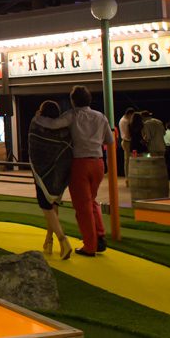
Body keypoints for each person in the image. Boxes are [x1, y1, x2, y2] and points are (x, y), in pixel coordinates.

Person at [34, 85, 113, 257]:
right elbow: (110, 140)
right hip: (98, 163)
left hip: (80, 164)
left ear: (73, 101)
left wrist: (38, 118)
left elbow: (53, 124)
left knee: (83, 206)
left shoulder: (73, 115)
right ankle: (100, 236)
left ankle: (90, 246)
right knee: (92, 201)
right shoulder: (101, 117)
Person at [28, 100, 74, 260]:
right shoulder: (64, 129)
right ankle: (49, 240)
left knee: (46, 206)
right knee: (53, 205)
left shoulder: (36, 126)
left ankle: (63, 240)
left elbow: (34, 147)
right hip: (59, 173)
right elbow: (68, 149)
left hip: (42, 174)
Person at [118, 107, 135, 179]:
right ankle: (128, 178)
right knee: (127, 160)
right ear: (129, 114)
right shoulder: (125, 121)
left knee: (128, 160)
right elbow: (128, 133)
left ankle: (128, 177)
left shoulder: (123, 119)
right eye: (132, 115)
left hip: (126, 141)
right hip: (127, 142)